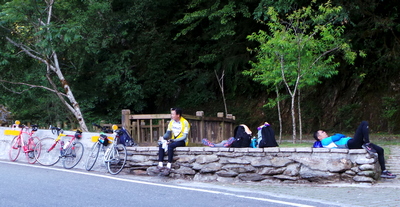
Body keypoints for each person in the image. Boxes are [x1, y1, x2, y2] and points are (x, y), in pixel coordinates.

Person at [313, 121, 396, 179]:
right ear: (319, 137)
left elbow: (339, 136)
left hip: (352, 143)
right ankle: (367, 143)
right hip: (351, 143)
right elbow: (338, 135)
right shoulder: (324, 141)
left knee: (380, 150)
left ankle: (384, 171)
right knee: (364, 123)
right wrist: (338, 135)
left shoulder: (327, 141)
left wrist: (339, 136)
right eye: (322, 132)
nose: (325, 132)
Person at [157, 108, 190, 175]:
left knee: (170, 145)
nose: (171, 115)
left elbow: (184, 137)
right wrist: (162, 138)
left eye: (173, 114)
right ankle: (160, 165)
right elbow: (167, 134)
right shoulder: (171, 122)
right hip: (173, 140)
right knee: (161, 144)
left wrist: (173, 140)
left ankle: (169, 166)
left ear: (178, 115)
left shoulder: (185, 122)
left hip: (182, 141)